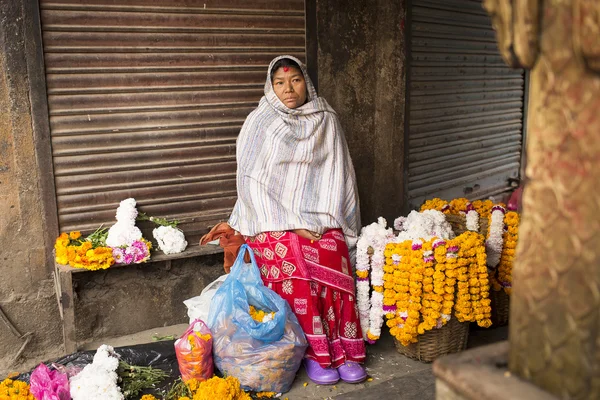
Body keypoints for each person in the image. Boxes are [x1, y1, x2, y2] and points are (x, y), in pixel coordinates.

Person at [228, 55, 367, 385]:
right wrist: (290, 221)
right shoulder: (260, 122)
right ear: (270, 87)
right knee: (293, 255)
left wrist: (320, 220)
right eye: (279, 83)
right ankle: (313, 354)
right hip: (270, 221)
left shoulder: (326, 120)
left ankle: (345, 349)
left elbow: (338, 177)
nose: (288, 89)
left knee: (332, 248)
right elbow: (250, 183)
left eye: (295, 80)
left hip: (320, 215)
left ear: (307, 83)